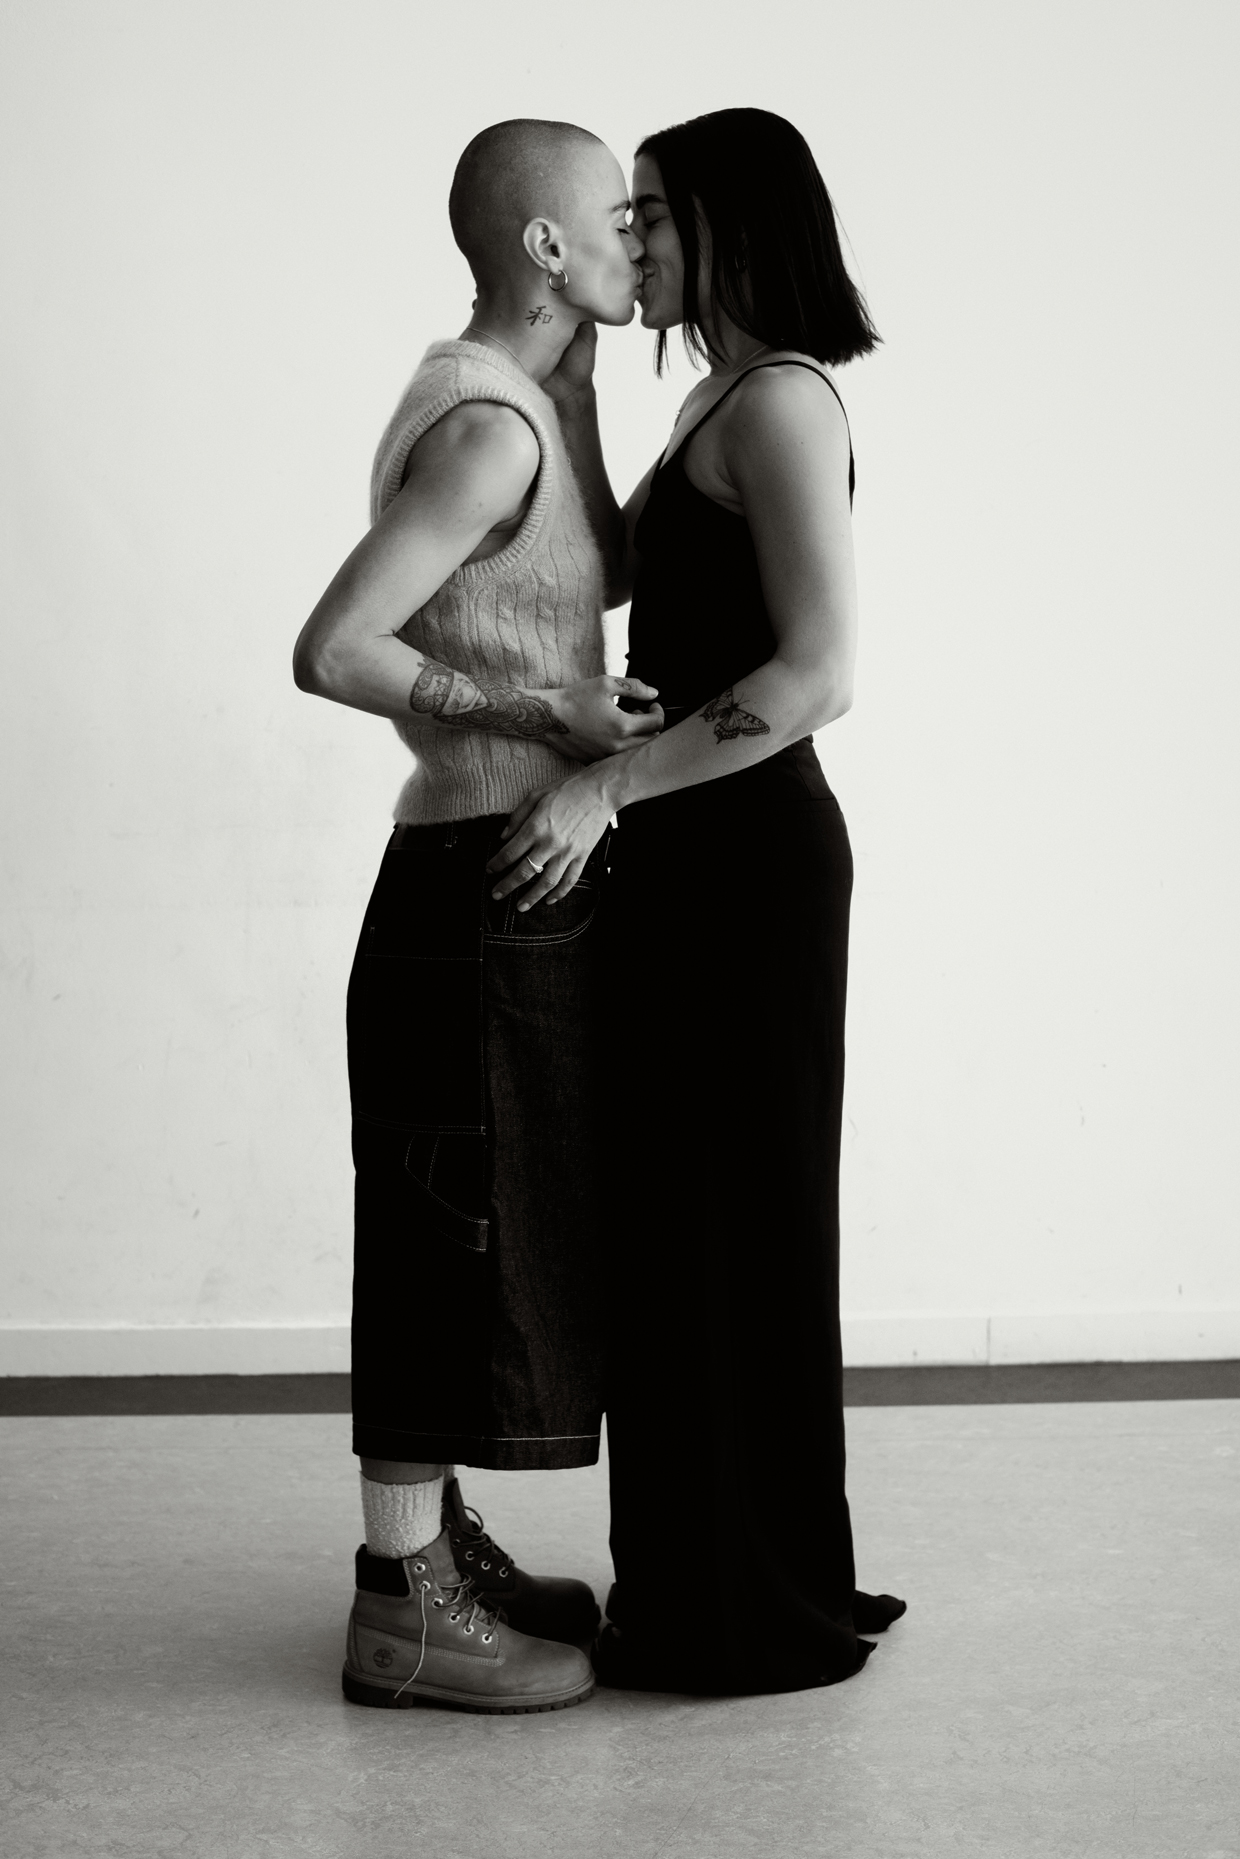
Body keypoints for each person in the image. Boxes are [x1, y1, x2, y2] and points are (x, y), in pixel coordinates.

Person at [487, 107, 906, 1693]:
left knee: (735, 1228)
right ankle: (703, 1578)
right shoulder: (711, 398)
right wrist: (581, 392)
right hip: (687, 859)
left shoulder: (784, 399)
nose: (631, 239)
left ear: (734, 222)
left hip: (752, 870)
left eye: (653, 214)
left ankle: (747, 1605)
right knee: (677, 1227)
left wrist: (603, 789)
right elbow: (609, 574)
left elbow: (817, 674)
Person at [292, 118, 659, 1714]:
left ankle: (434, 1548)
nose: (642, 238)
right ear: (544, 246)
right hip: (472, 886)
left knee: (476, 1220)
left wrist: (583, 389)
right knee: (441, 1237)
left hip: (489, 881)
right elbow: (334, 648)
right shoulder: (488, 430)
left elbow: (604, 572)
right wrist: (536, 712)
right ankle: (402, 1604)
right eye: (616, 217)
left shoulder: (527, 408)